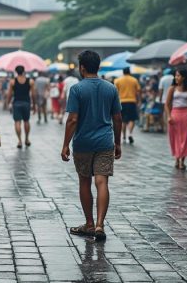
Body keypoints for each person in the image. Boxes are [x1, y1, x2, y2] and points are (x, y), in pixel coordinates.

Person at [61, 51, 122, 242]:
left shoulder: (77, 89)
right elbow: (118, 118)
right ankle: (100, 225)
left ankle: (88, 223)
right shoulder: (111, 88)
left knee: (85, 182)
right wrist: (118, 142)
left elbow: (72, 120)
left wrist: (65, 145)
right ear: (99, 67)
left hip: (83, 143)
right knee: (102, 182)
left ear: (82, 68)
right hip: (105, 141)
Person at [166, 69, 187, 170]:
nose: (176, 77)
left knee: (185, 138)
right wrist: (169, 116)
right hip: (174, 114)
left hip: (186, 115)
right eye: (175, 76)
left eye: (178, 75)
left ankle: (182, 161)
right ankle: (177, 158)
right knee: (174, 137)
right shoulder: (172, 88)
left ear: (184, 77)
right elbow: (167, 104)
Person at [5, 66, 36, 148]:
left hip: (16, 103)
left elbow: (9, 94)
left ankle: (19, 141)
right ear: (24, 71)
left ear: (16, 72)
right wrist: (34, 105)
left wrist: (8, 103)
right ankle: (27, 139)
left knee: (17, 122)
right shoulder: (30, 81)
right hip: (26, 103)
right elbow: (33, 94)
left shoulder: (12, 82)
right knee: (26, 121)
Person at [114, 67, 141, 144]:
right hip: (132, 101)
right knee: (132, 119)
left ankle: (124, 137)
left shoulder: (118, 80)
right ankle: (130, 134)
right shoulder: (134, 80)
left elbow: (115, 93)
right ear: (129, 72)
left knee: (123, 120)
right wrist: (139, 101)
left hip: (121, 102)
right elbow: (138, 91)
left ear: (123, 72)